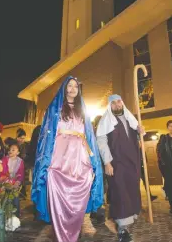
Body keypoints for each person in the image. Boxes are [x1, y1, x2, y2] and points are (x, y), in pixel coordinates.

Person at [31, 76, 104, 242]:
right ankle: (60, 233)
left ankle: (73, 230)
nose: (72, 89)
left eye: (75, 86)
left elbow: (88, 134)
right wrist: (46, 160)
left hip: (79, 152)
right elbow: (47, 134)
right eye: (69, 86)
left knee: (84, 182)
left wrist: (92, 160)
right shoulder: (55, 108)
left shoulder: (82, 109)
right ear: (64, 88)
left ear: (78, 90)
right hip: (60, 152)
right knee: (55, 182)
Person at [96, 94, 144, 242]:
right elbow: (102, 142)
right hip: (116, 164)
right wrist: (107, 162)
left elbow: (136, 139)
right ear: (110, 106)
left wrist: (140, 131)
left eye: (119, 102)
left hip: (132, 163)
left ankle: (129, 219)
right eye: (114, 103)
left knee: (131, 190)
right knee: (120, 192)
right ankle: (122, 228)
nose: (117, 105)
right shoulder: (106, 121)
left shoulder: (130, 119)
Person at [0, 144, 25, 218]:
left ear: (18, 152)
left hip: (15, 182)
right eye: (10, 149)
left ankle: (16, 215)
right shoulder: (4, 159)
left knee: (15, 196)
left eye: (13, 150)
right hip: (5, 181)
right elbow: (2, 172)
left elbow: (21, 173)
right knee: (4, 197)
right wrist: (7, 181)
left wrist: (17, 182)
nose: (10, 151)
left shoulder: (20, 161)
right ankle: (4, 215)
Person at [25, 125, 41, 220]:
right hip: (37, 168)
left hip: (35, 167)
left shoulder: (32, 145)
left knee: (35, 188)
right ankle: (38, 209)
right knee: (38, 188)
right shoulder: (40, 144)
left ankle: (37, 209)